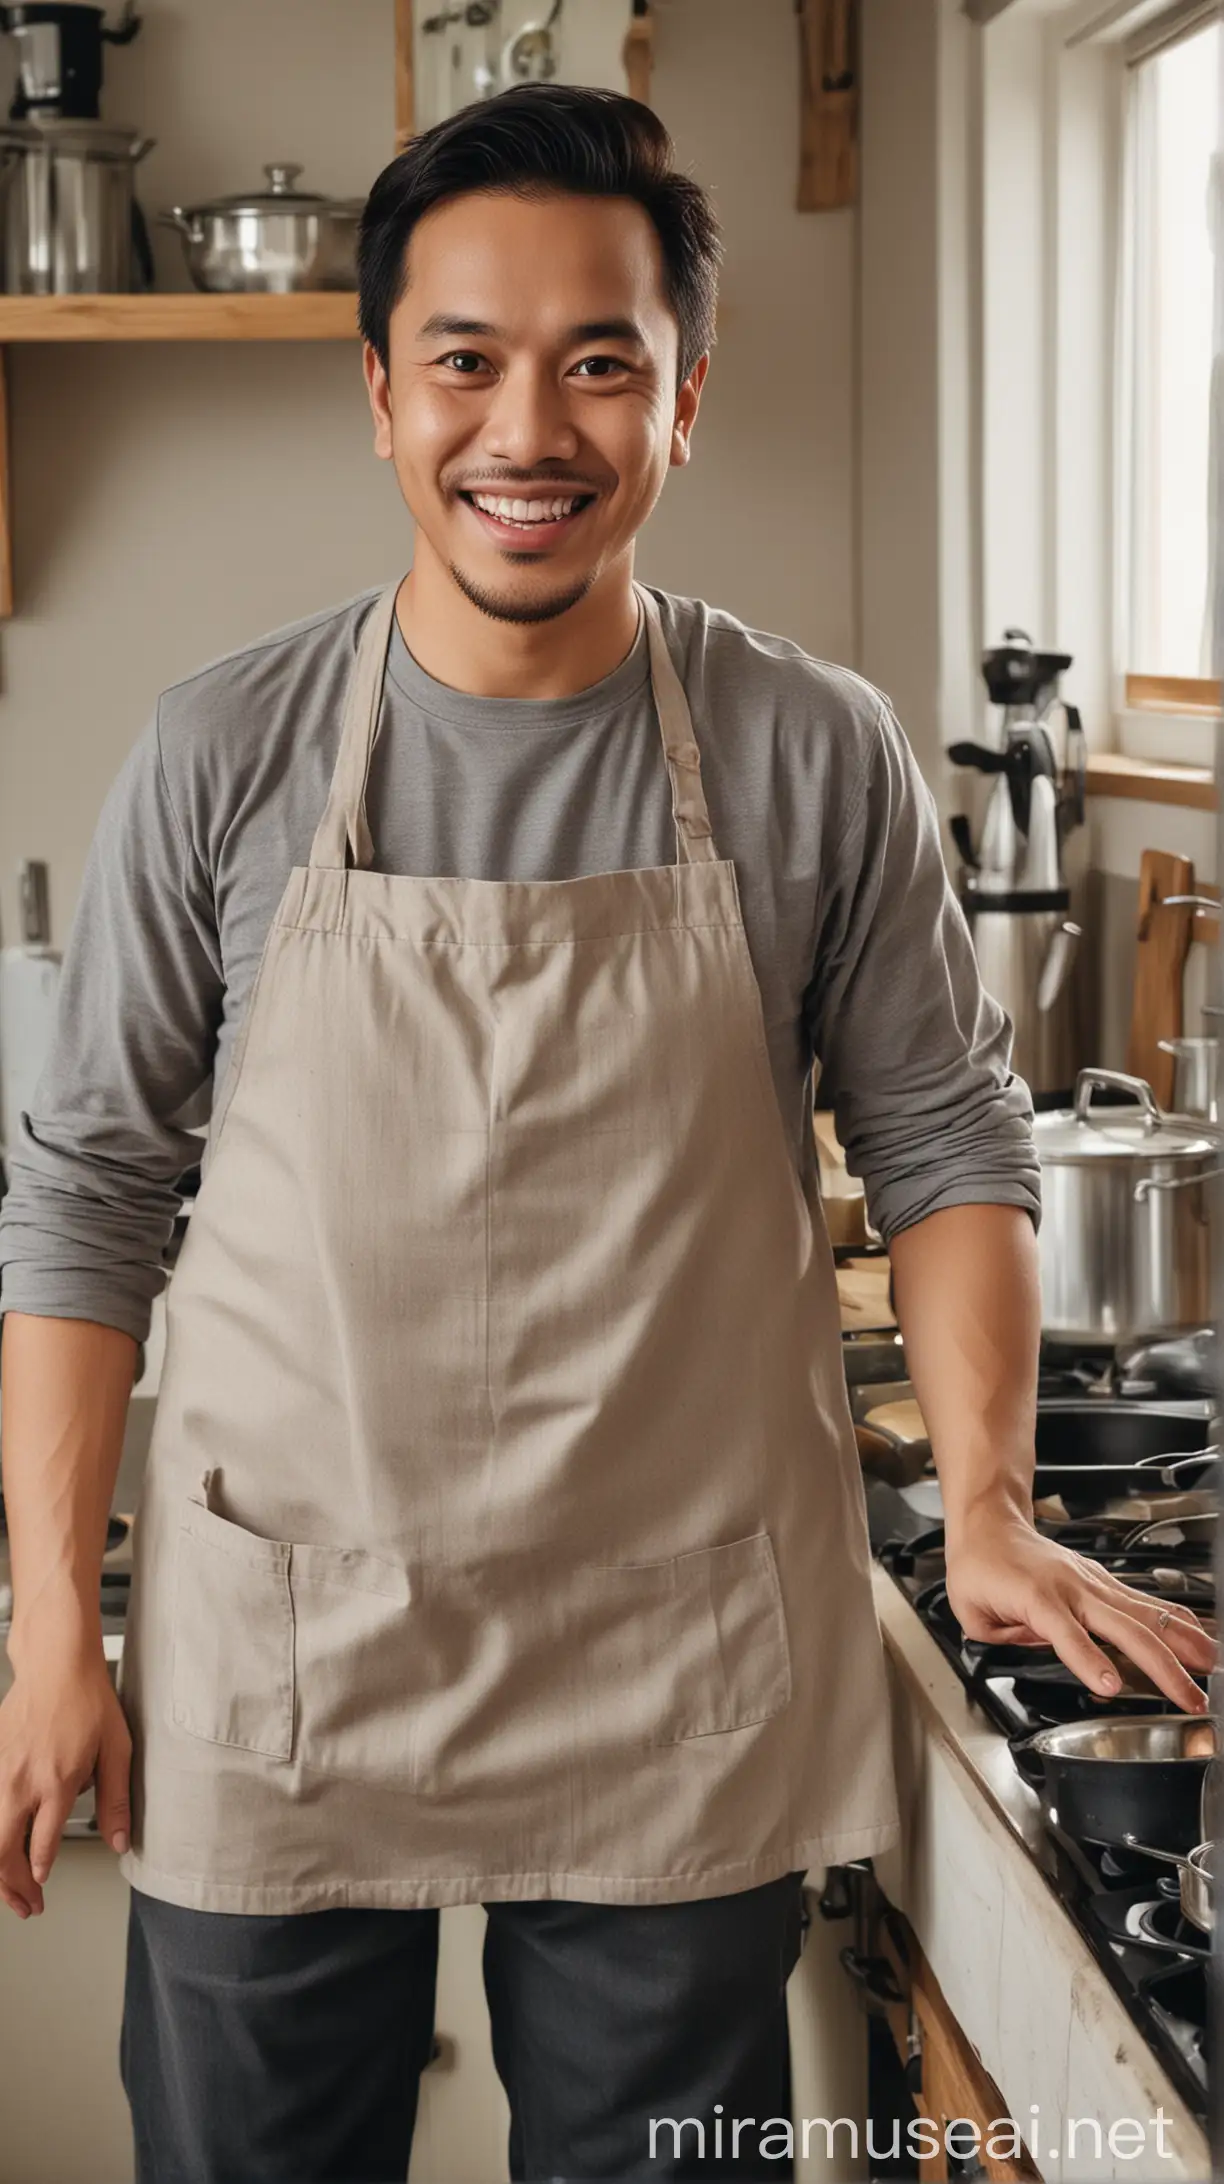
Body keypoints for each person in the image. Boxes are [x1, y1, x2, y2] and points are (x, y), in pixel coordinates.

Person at [0, 83, 1212, 2184]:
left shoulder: (805, 747)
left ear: (685, 399)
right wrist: (45, 1633)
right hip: (286, 1647)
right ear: (378, 395)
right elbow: (86, 1193)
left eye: (601, 362)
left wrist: (997, 1505)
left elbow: (943, 1142)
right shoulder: (220, 752)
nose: (527, 428)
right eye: (464, 361)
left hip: (680, 1659)